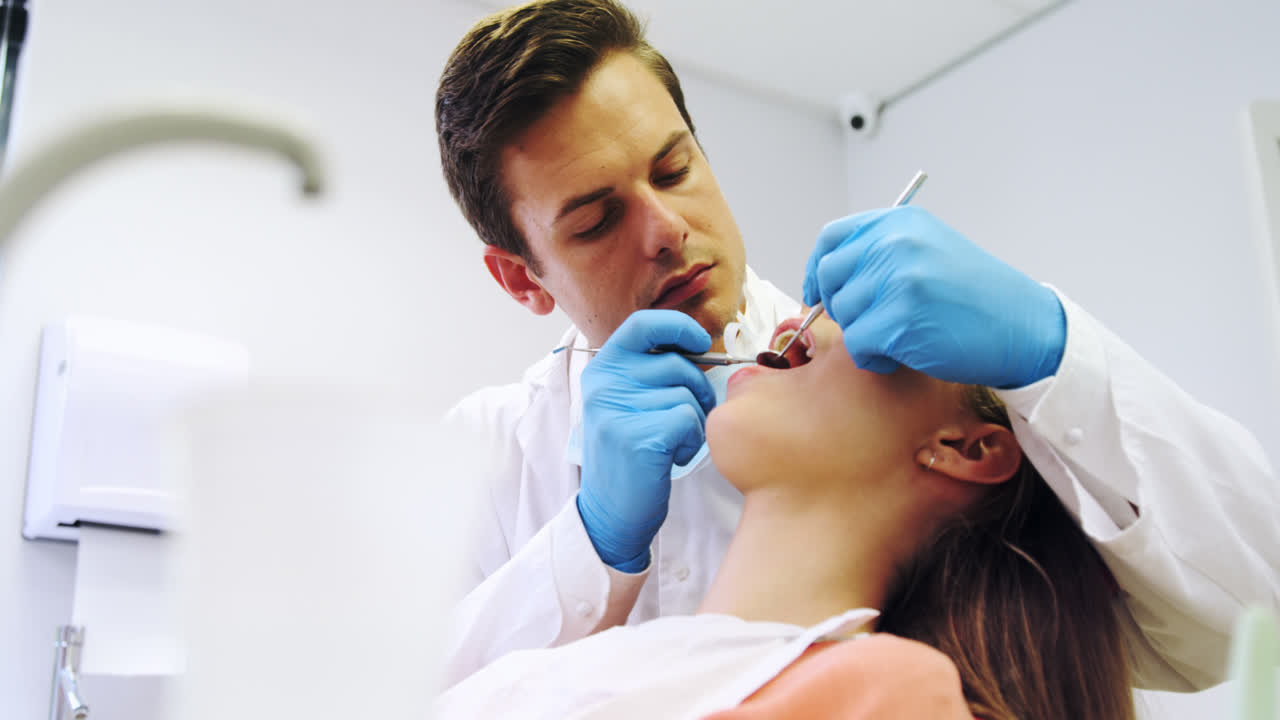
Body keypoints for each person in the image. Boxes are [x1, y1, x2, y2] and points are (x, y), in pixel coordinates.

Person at [435, 0, 1280, 692]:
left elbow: (1253, 609)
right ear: (522, 279)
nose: (667, 231)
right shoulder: (493, 449)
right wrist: (588, 547)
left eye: (673, 169)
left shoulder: (897, 385)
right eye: (596, 220)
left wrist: (1054, 353)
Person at [434, 310, 1134, 719]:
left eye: (875, 321)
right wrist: (592, 540)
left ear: (965, 448)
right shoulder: (598, 661)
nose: (799, 317)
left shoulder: (890, 693)